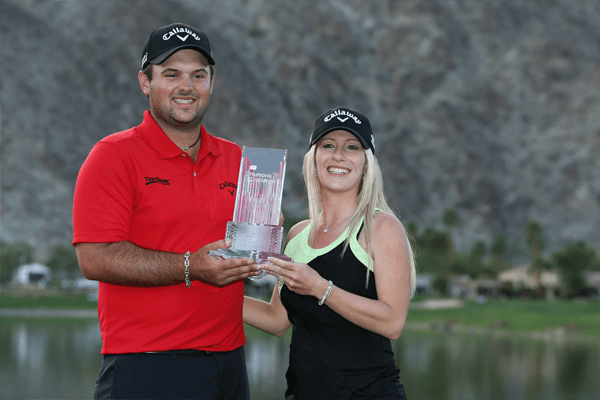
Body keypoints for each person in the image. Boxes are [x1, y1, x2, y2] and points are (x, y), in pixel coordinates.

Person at [72, 23, 262, 399]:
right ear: (145, 82)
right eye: (171, 74)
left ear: (211, 82)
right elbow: (94, 259)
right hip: (146, 364)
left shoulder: (241, 160)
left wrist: (263, 239)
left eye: (198, 75)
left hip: (229, 364)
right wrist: (191, 266)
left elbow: (248, 250)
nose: (186, 86)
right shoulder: (112, 156)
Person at [244, 107, 417, 399]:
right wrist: (210, 283)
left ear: (366, 164)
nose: (339, 155)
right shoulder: (298, 235)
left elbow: (393, 322)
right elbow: (276, 319)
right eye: (328, 145)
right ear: (313, 160)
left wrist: (319, 287)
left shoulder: (380, 227)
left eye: (352, 147)